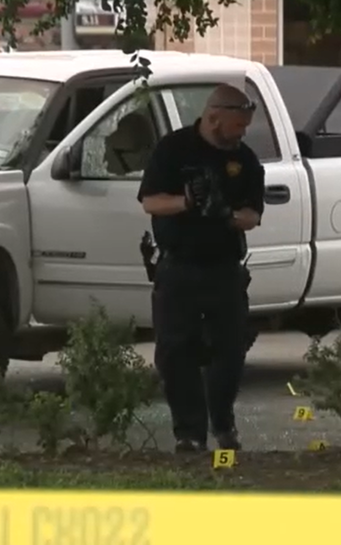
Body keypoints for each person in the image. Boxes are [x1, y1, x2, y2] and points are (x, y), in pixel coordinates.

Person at [137, 84, 265, 454]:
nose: (242, 132)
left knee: (230, 350)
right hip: (178, 266)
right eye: (237, 124)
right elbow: (150, 202)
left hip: (224, 268)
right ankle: (189, 434)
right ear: (213, 117)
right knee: (176, 352)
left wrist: (227, 214)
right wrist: (189, 202)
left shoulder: (246, 160)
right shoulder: (174, 149)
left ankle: (223, 423)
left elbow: (253, 215)